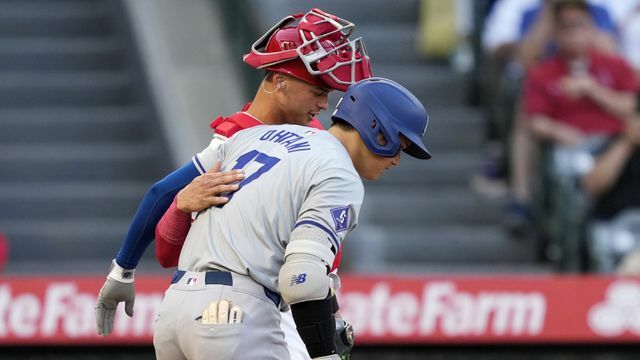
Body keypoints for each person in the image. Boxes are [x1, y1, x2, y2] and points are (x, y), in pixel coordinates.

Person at [94, 8, 372, 359]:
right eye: (317, 89)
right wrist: (125, 266)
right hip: (257, 305)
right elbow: (165, 229)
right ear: (280, 81)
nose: (323, 103)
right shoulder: (237, 140)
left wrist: (124, 268)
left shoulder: (257, 139)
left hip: (244, 304)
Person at [152, 77, 431, 360]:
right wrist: (325, 355)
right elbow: (302, 279)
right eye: (400, 144)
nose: (397, 159)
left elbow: (166, 238)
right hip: (234, 315)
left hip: (174, 311)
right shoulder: (340, 172)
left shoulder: (254, 136)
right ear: (376, 130)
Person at [507, 0, 637, 234]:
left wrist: (592, 89)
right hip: (573, 147)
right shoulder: (544, 73)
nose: (576, 34)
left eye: (580, 26)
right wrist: (560, 132)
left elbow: (631, 106)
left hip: (615, 144)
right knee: (571, 168)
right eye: (567, 28)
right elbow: (535, 119)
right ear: (555, 33)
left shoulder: (615, 65)